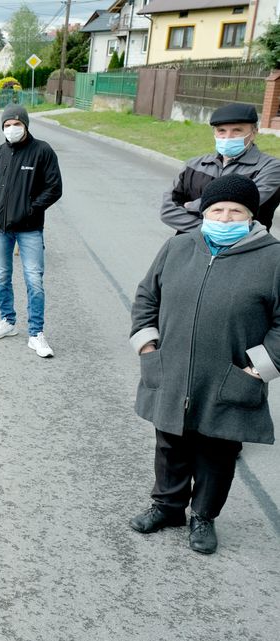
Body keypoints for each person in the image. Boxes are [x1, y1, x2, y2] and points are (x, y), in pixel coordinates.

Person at [129, 174, 280, 555]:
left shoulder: (273, 258)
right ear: (204, 212)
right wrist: (148, 346)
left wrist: (258, 368)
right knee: (170, 442)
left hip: (230, 375)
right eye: (217, 209)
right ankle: (167, 507)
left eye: (236, 211)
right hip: (173, 369)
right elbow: (148, 295)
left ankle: (203, 516)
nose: (225, 217)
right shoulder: (179, 247)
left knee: (217, 450)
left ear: (251, 215)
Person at [0, 104, 63, 358]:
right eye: (7, 125)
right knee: (2, 276)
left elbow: (54, 188)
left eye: (16, 124)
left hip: (29, 229)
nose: (11, 129)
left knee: (34, 280)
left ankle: (36, 334)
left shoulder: (42, 151)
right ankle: (7, 321)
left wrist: (30, 209)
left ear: (25, 125)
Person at [161, 103, 280, 232]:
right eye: (221, 131)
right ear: (214, 133)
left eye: (237, 130)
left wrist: (192, 206)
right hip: (190, 246)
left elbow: (244, 202)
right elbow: (168, 211)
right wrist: (210, 230)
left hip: (245, 248)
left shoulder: (270, 168)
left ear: (253, 133)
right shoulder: (194, 165)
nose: (228, 137)